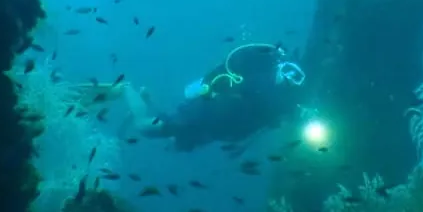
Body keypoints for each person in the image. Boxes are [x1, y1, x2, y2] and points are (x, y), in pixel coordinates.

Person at [131, 43, 307, 151]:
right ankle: (126, 89)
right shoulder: (257, 73)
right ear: (281, 65)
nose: (290, 78)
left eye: (297, 77)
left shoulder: (281, 103)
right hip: (205, 114)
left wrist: (244, 145)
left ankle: (149, 102)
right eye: (288, 71)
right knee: (143, 128)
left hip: (215, 130)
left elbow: (265, 125)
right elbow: (222, 77)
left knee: (176, 142)